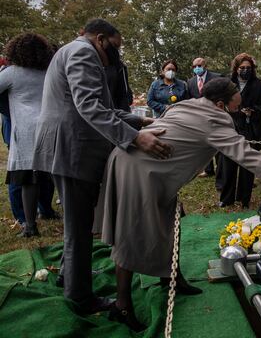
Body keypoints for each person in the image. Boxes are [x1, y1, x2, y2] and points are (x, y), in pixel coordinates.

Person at [99, 78, 261, 331]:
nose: (240, 96)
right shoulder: (216, 119)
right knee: (132, 233)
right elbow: (247, 155)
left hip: (132, 161)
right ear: (221, 103)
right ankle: (122, 306)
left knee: (171, 218)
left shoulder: (188, 104)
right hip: (140, 171)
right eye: (236, 93)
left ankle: (171, 278)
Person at [32, 19, 170, 314]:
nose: (116, 54)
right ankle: (81, 297)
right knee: (79, 227)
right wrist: (136, 139)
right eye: (115, 46)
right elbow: (90, 106)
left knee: (76, 220)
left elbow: (101, 107)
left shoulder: (70, 50)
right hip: (73, 149)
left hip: (67, 147)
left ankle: (71, 275)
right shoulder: (84, 53)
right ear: (100, 38)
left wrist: (140, 120)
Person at [0, 33, 56, 237]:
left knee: (28, 180)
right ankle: (75, 221)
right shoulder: (49, 72)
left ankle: (30, 226)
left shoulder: (12, 73)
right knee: (55, 176)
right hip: (52, 126)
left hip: (26, 129)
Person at [217, 53, 261, 207]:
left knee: (248, 164)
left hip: (250, 128)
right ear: (236, 68)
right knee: (228, 163)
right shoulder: (227, 83)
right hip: (230, 126)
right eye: (242, 68)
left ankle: (244, 198)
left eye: (248, 68)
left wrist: (252, 111)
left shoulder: (259, 84)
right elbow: (219, 103)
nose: (245, 70)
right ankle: (226, 198)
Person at [186, 57, 221, 177]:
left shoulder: (217, 77)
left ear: (205, 65)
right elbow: (190, 99)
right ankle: (208, 169)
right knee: (204, 143)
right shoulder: (190, 82)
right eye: (194, 66)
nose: (197, 68)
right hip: (199, 117)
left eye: (199, 66)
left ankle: (220, 168)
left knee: (217, 142)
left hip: (214, 116)